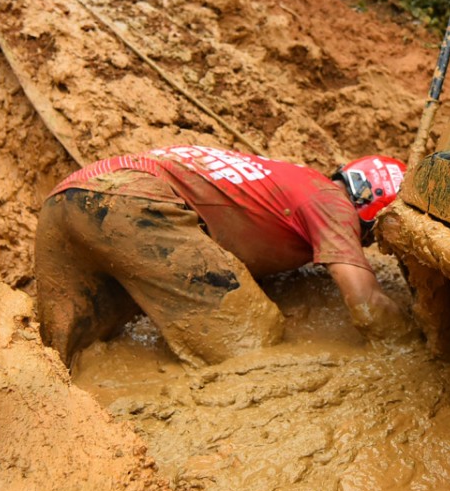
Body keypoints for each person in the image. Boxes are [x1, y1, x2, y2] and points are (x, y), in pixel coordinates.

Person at [34, 144, 411, 366]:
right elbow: (366, 304)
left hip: (68, 197)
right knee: (253, 343)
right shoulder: (332, 203)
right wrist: (417, 344)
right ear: (373, 216)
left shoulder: (295, 178)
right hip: (132, 201)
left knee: (66, 359)